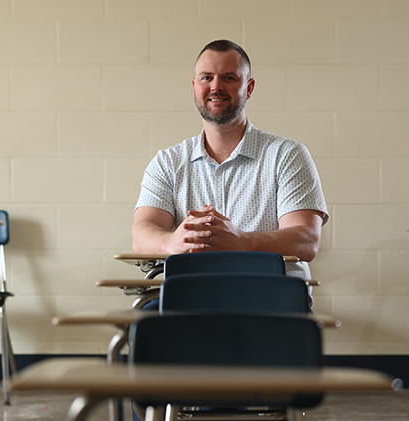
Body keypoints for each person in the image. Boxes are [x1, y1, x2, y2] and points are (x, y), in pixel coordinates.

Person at [132, 39, 328, 281]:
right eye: (206, 78)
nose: (216, 87)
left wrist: (240, 241)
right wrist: (174, 241)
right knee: (145, 319)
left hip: (272, 299)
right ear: (194, 87)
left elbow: (307, 240)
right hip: (190, 297)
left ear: (249, 88)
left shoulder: (287, 155)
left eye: (229, 78)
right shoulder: (167, 163)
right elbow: (141, 236)